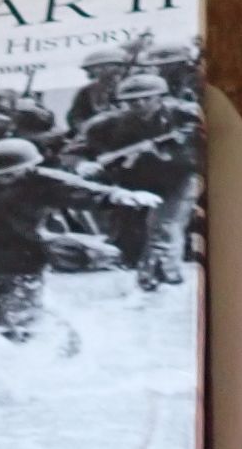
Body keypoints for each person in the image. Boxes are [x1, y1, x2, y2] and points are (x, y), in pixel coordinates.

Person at [0, 137, 159, 393]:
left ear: (27, 169)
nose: (0, 180)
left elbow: (85, 191)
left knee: (9, 329)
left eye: (8, 175)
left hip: (18, 267)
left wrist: (121, 196)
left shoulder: (43, 183)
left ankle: (60, 333)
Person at [73, 70, 204, 288]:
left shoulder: (185, 114)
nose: (140, 104)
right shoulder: (106, 124)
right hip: (134, 181)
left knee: (164, 226)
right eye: (132, 101)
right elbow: (75, 150)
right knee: (130, 235)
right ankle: (155, 276)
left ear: (161, 97)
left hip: (179, 179)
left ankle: (160, 277)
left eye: (147, 98)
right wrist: (83, 164)